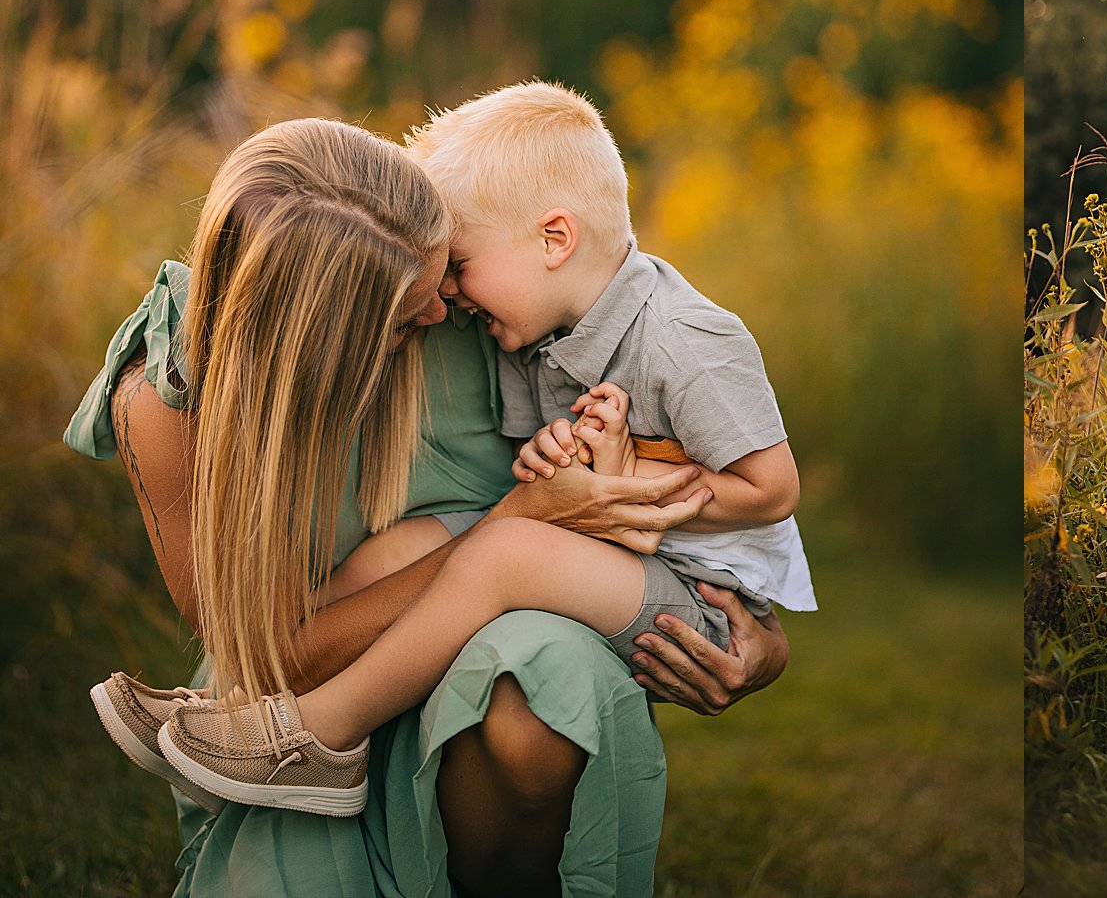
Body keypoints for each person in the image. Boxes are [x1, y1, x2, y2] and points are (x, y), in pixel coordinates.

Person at [67, 117, 787, 896]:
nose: (447, 312)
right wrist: (514, 520)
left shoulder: (483, 286)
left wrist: (767, 647)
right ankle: (278, 734)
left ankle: (358, 768)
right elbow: (271, 649)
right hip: (303, 679)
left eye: (449, 277)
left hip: (496, 645)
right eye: (409, 318)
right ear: (327, 336)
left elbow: (681, 481)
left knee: (535, 689)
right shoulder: (165, 393)